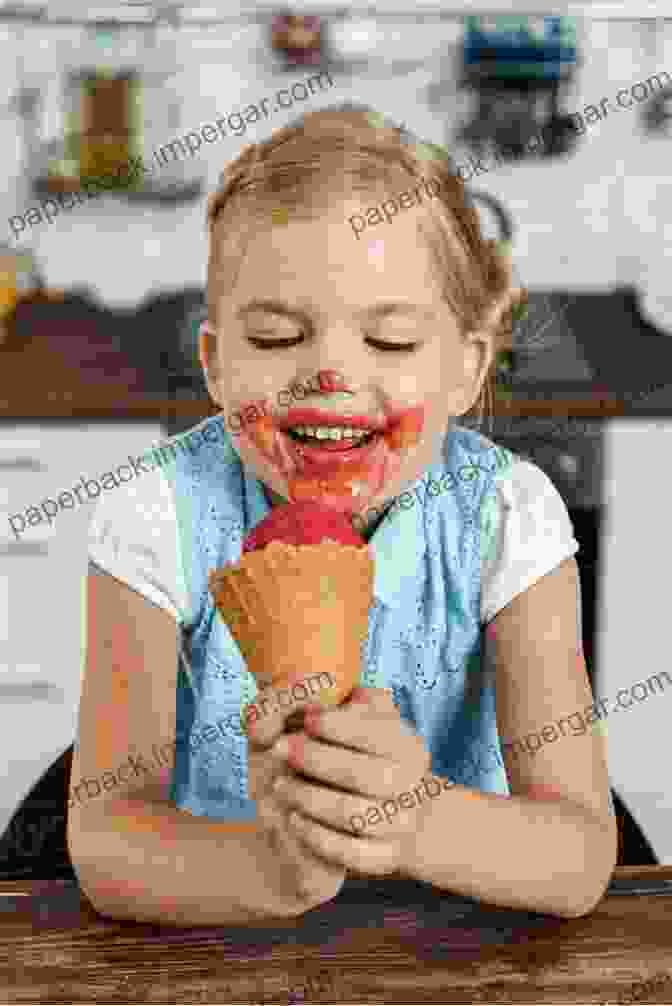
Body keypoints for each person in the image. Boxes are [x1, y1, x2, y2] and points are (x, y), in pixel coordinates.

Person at [67, 104, 616, 925]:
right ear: (216, 364)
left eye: (391, 342)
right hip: (219, 941)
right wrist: (276, 871)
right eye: (278, 335)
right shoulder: (157, 518)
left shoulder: (507, 517)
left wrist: (416, 819)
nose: (328, 371)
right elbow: (110, 840)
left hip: (456, 947)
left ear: (466, 371)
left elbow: (576, 859)